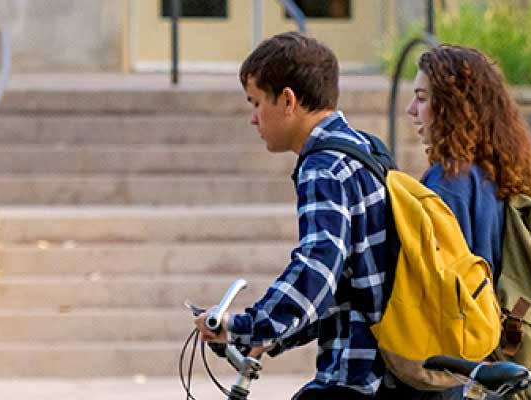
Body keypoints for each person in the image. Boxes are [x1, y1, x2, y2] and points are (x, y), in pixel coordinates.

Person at [191, 32, 450, 400]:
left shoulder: (323, 166)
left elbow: (317, 268)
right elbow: (345, 286)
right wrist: (270, 339)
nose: (252, 118)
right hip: (394, 369)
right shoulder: (366, 148)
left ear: (287, 100)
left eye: (256, 102)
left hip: (359, 376)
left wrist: (252, 325)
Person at [406, 45, 531, 278]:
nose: (411, 109)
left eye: (422, 98)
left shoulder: (448, 182)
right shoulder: (501, 171)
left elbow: (436, 282)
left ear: (451, 107)